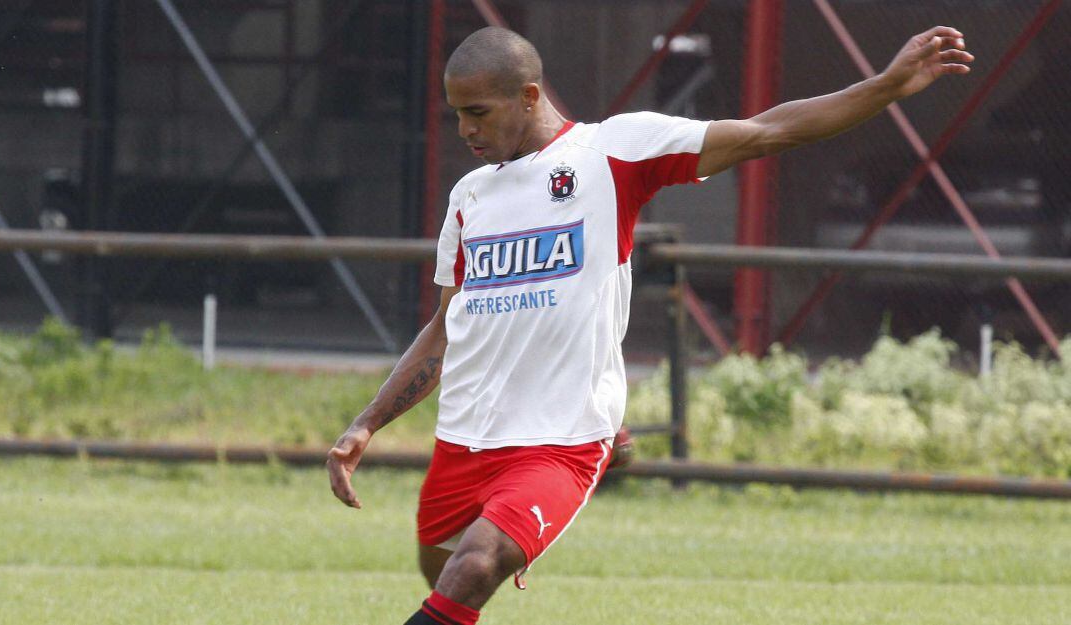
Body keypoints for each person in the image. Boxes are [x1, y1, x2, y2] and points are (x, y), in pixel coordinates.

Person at [327, 24, 973, 625]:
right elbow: (446, 327)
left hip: (560, 440)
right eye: (456, 114)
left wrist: (884, 87)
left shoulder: (611, 152)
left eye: (478, 112)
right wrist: (367, 422)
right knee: (444, 581)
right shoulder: (470, 196)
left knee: (475, 566)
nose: (465, 129)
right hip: (464, 438)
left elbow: (766, 132)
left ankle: (602, 447)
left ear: (528, 96)